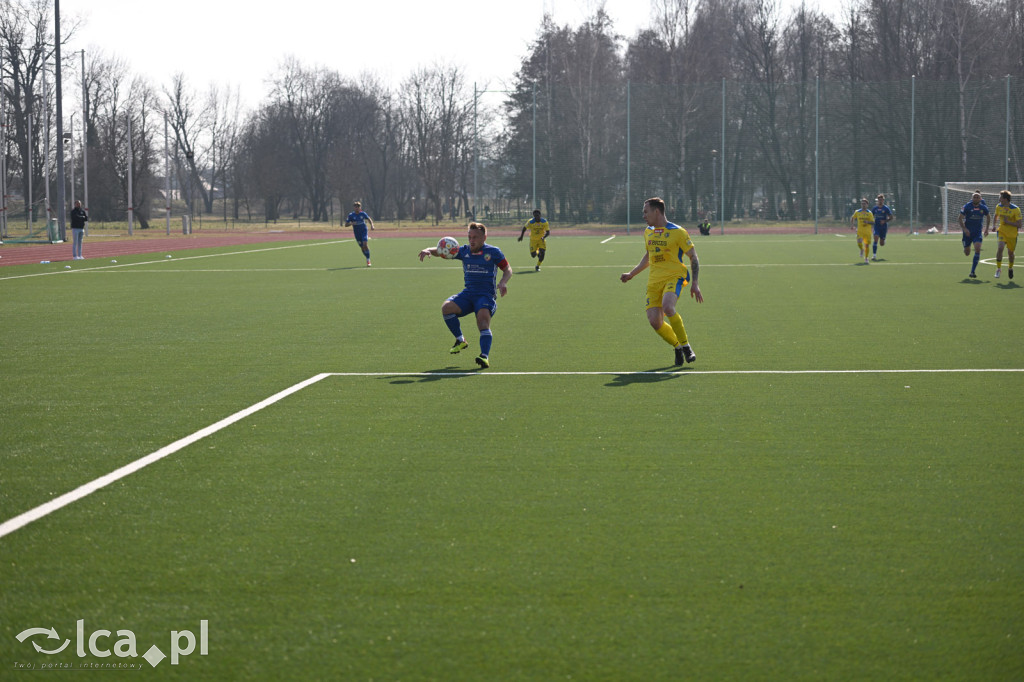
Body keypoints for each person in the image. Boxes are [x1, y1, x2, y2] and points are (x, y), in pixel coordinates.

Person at [620, 197, 703, 366]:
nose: (643, 215)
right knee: (655, 322)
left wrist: (695, 283)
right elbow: (649, 256)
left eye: (645, 212)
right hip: (654, 281)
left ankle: (686, 347)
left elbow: (693, 256)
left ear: (656, 211)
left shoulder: (678, 232)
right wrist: (632, 273)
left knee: (668, 306)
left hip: (675, 276)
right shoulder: (648, 231)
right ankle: (677, 346)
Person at [418, 222, 513, 369]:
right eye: (469, 237)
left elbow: (507, 269)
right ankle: (460, 340)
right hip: (468, 294)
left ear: (484, 237)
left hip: (485, 296)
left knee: (482, 322)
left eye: (475, 237)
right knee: (446, 308)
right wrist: (428, 250)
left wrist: (503, 282)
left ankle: (484, 357)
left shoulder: (493, 252)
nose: (471, 240)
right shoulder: (463, 251)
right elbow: (442, 250)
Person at [988, 190, 1022, 280]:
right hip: (1002, 231)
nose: (999, 198)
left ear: (1005, 199)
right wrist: (994, 225)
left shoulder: (1015, 209)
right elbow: (996, 216)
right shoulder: (999, 206)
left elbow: (1019, 225)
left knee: (1010, 253)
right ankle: (998, 269)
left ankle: (1010, 268)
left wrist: (1008, 222)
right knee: (1000, 248)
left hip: (1012, 235)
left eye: (1000, 197)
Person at [958, 190, 990, 278]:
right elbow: (960, 218)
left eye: (977, 197)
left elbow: (988, 216)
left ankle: (972, 272)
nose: (975, 198)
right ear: (971, 198)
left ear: (980, 199)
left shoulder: (983, 207)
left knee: (977, 249)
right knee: (967, 253)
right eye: (974, 197)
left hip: (977, 233)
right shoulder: (966, 207)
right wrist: (964, 229)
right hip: (967, 233)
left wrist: (987, 229)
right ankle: (965, 246)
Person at [345, 201, 375, 266]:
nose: (357, 208)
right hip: (357, 233)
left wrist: (372, 225)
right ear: (354, 208)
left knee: (365, 245)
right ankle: (366, 256)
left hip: (364, 231)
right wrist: (351, 223)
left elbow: (369, 219)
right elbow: (346, 224)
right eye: (356, 207)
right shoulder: (351, 215)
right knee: (362, 247)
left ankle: (368, 259)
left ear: (360, 207)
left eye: (358, 206)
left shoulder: (363, 214)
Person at [850, 198, 874, 264]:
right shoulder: (857, 212)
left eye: (864, 204)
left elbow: (873, 222)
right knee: (859, 242)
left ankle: (866, 258)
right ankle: (861, 249)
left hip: (867, 232)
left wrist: (867, 222)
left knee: (867, 245)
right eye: (862, 203)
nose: (863, 205)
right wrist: (852, 225)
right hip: (860, 231)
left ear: (867, 205)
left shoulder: (869, 213)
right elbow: (853, 218)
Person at [871, 193, 894, 260]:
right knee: (875, 238)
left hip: (883, 227)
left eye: (881, 200)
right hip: (876, 226)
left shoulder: (886, 208)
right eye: (879, 200)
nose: (880, 201)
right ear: (877, 200)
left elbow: (891, 217)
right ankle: (874, 255)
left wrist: (885, 221)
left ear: (883, 200)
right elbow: (871, 216)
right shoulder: (875, 208)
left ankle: (883, 240)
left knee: (881, 244)